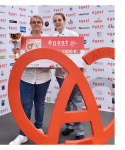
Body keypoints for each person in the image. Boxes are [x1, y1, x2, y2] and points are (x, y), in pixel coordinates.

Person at [9, 15, 52, 145]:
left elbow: (52, 56)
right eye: (34, 22)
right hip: (26, 76)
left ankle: (38, 128)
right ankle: (23, 134)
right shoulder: (23, 39)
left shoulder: (48, 39)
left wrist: (52, 63)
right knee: (25, 106)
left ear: (42, 24)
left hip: (43, 76)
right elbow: (18, 59)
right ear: (30, 24)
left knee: (40, 104)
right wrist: (16, 53)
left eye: (39, 22)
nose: (36, 24)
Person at [50, 13, 85, 140]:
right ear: (53, 23)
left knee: (76, 100)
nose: (57, 22)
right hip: (60, 74)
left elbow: (80, 54)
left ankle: (79, 130)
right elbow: (52, 57)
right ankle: (69, 126)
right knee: (67, 100)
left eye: (59, 20)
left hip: (73, 73)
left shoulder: (73, 35)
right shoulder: (52, 38)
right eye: (55, 21)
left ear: (64, 21)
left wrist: (81, 72)